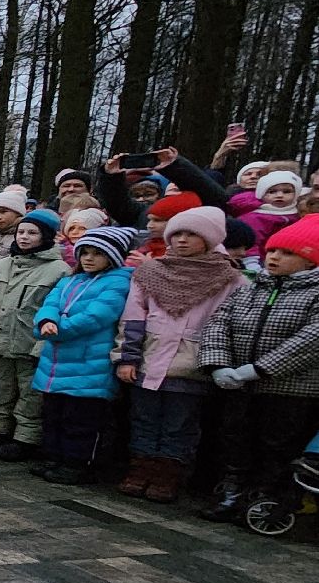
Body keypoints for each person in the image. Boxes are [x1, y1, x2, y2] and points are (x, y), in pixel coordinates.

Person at [113, 206, 244, 502]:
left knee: (180, 424)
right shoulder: (150, 271)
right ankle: (141, 469)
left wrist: (215, 362)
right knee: (144, 419)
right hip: (149, 360)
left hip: (192, 365)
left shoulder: (230, 279)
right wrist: (127, 357)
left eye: (192, 234)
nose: (182, 240)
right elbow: (133, 317)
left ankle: (168, 475)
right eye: (177, 233)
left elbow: (230, 324)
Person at [197, 215, 319, 522]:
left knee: (276, 444)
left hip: (289, 389)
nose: (275, 257)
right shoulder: (251, 288)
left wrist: (260, 369)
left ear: (310, 260)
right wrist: (218, 364)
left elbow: (310, 340)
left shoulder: (314, 294)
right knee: (235, 437)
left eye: (288, 253)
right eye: (273, 250)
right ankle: (233, 489)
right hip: (238, 384)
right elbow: (219, 323)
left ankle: (265, 494)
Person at [31, 227, 137, 483]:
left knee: (81, 420)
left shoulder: (118, 282)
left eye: (97, 253)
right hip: (56, 363)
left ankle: (77, 463)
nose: (88, 258)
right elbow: (50, 303)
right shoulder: (70, 280)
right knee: (54, 415)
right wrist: (46, 321)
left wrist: (59, 330)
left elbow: (97, 316)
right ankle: (54, 456)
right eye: (84, 253)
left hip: (89, 365)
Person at [0, 209, 65, 461]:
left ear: (45, 236)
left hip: (29, 343)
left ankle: (25, 438)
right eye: (21, 232)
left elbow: (56, 309)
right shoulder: (0, 266)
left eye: (32, 233)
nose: (24, 237)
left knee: (30, 394)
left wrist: (42, 346)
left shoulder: (58, 271)